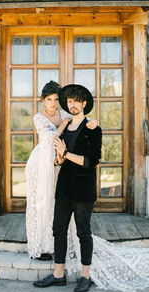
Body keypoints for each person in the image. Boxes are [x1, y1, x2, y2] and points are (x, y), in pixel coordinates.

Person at [33, 84, 149, 292]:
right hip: (64, 187)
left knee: (84, 232)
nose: (72, 104)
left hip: (83, 190)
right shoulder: (64, 128)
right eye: (70, 101)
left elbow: (90, 160)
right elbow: (59, 160)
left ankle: (85, 276)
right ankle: (58, 275)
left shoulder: (94, 128)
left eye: (77, 101)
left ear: (84, 104)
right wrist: (59, 158)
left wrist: (65, 154)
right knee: (58, 230)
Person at [25, 81, 97, 260]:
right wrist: (65, 123)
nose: (53, 103)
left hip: (61, 162)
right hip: (41, 164)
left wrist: (93, 122)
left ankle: (65, 244)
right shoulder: (38, 118)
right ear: (43, 100)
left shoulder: (64, 113)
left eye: (56, 99)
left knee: (59, 205)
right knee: (43, 204)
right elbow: (51, 138)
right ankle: (42, 246)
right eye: (49, 99)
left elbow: (81, 121)